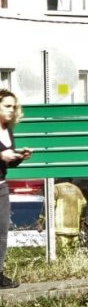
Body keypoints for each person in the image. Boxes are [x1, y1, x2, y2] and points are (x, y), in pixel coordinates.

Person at [0, 89, 32, 289]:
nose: (12, 110)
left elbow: (8, 164)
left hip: (1, 186)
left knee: (2, 232)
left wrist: (19, 157)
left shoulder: (7, 130)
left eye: (14, 107)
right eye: (7, 106)